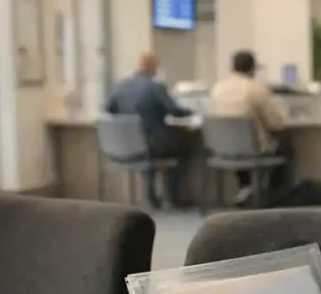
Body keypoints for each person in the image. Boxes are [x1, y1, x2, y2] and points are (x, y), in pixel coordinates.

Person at [105, 51, 192, 208]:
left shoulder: (118, 86)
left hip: (126, 146)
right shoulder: (155, 87)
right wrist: (191, 111)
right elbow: (175, 111)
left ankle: (150, 195)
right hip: (153, 144)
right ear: (154, 68)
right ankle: (171, 197)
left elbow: (108, 109)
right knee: (183, 149)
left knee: (147, 150)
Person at [209, 50, 287, 205]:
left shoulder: (217, 89)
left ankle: (245, 187)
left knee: (241, 146)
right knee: (285, 146)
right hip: (252, 150)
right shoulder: (256, 89)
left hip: (224, 150)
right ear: (253, 69)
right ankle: (270, 195)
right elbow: (276, 123)